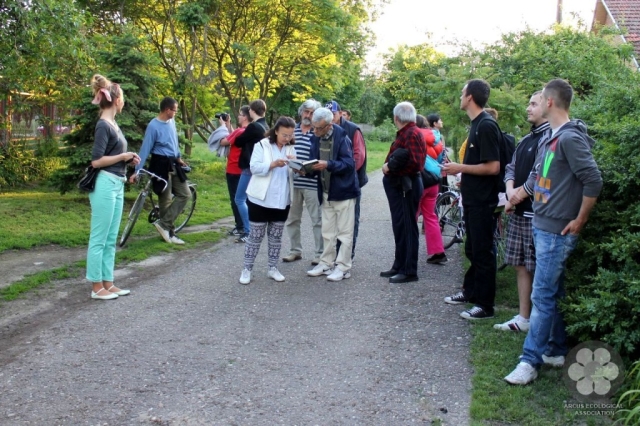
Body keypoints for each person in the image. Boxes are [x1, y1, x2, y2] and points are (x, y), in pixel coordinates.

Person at [504, 79, 602, 385]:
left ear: (550, 102)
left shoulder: (571, 139)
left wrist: (580, 220)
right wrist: (515, 196)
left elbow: (593, 181)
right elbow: (536, 178)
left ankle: (529, 361)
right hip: (541, 225)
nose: (533, 104)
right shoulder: (550, 137)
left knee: (541, 295)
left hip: (557, 232)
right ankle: (557, 350)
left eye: (539, 99)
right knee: (553, 292)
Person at [442, 79, 501, 319]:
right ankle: (471, 291)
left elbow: (493, 167)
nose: (459, 97)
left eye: (462, 93)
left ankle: (485, 306)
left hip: (484, 201)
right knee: (472, 248)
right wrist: (461, 170)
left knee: (483, 251)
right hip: (473, 199)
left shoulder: (486, 125)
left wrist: (461, 167)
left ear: (470, 98)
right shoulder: (477, 124)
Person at [493, 92, 550, 333]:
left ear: (548, 106)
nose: (528, 108)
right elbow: (511, 167)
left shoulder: (549, 138)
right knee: (520, 265)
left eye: (533, 104)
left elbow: (540, 174)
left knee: (537, 268)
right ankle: (523, 317)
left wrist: (517, 195)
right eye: (528, 103)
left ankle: (540, 321)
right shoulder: (527, 138)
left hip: (537, 215)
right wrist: (509, 193)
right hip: (518, 211)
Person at [87, 74, 140, 300]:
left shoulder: (113, 124)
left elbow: (113, 156)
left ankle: (108, 283)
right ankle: (96, 287)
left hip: (117, 183)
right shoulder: (103, 125)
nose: (124, 102)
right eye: (123, 98)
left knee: (111, 238)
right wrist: (123, 155)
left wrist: (128, 160)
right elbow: (96, 161)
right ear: (116, 100)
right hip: (105, 184)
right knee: (99, 237)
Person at [239, 117, 297, 285]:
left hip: (282, 199)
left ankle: (273, 268)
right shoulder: (262, 145)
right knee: (255, 236)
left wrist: (298, 167)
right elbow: (254, 167)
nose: (287, 138)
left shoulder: (291, 147)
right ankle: (247, 269)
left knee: (276, 237)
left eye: (290, 135)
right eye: (284, 134)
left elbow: (293, 170)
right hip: (261, 199)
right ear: (276, 130)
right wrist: (272, 164)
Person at [306, 107, 360, 282]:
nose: (315, 131)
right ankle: (326, 263)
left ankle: (343, 267)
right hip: (326, 191)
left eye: (319, 128)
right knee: (327, 231)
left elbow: (349, 164)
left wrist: (328, 164)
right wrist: (305, 169)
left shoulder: (342, 138)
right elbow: (314, 162)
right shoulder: (316, 138)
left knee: (344, 233)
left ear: (329, 126)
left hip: (343, 192)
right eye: (314, 127)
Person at [132, 97, 191, 245]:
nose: (175, 113)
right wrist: (137, 170)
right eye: (174, 110)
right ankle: (170, 233)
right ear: (167, 110)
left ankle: (164, 225)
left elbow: (174, 142)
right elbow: (145, 149)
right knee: (165, 201)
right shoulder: (153, 126)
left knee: (185, 194)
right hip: (159, 164)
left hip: (173, 163)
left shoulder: (171, 122)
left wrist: (178, 158)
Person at [380, 102, 427, 284]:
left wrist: (390, 166)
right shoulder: (407, 133)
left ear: (396, 118)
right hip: (400, 186)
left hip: (406, 186)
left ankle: (409, 270)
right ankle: (399, 264)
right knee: (400, 227)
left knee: (407, 228)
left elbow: (415, 164)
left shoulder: (412, 133)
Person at [282, 99, 324, 264]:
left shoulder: (318, 132)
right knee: (292, 219)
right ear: (301, 112)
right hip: (293, 182)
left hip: (312, 182)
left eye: (312, 113)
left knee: (317, 220)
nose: (308, 115)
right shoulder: (292, 131)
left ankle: (320, 254)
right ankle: (295, 250)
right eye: (306, 112)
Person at [326, 100, 367, 260]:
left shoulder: (352, 129)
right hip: (331, 182)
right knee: (332, 222)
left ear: (341, 113)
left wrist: (343, 171)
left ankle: (347, 255)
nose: (331, 119)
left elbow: (359, 156)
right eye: (328, 115)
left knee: (350, 222)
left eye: (333, 115)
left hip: (350, 182)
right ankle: (332, 255)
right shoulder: (324, 128)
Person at [233, 99, 269, 243]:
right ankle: (254, 229)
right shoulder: (265, 126)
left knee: (239, 199)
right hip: (260, 166)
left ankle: (249, 231)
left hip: (249, 167)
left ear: (252, 111)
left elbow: (238, 141)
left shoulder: (254, 127)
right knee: (252, 200)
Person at [415, 114, 447, 264]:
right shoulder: (436, 137)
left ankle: (409, 253)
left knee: (411, 216)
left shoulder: (415, 135)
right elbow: (441, 159)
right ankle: (438, 252)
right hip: (434, 180)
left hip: (419, 180)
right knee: (431, 217)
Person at [220, 106, 252, 237]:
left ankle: (241, 227)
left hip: (234, 169)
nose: (238, 116)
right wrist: (228, 125)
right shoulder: (246, 131)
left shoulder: (239, 132)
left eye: (240, 114)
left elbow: (224, 142)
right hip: (243, 171)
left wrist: (222, 126)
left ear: (245, 117)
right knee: (244, 199)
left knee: (236, 200)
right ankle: (244, 225)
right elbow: (233, 135)